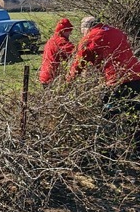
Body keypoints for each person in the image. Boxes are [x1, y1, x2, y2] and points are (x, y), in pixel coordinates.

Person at [68, 16, 140, 149]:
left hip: (117, 79)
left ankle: (107, 149)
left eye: (82, 31)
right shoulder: (116, 31)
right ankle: (136, 145)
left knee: (107, 113)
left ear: (87, 28)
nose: (83, 34)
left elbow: (79, 63)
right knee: (132, 112)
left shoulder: (89, 38)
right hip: (136, 75)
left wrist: (69, 81)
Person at [38, 18, 75, 86]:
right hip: (53, 77)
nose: (70, 33)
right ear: (63, 31)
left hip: (45, 75)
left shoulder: (52, 39)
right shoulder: (61, 41)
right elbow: (76, 53)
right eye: (69, 31)